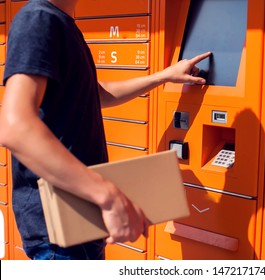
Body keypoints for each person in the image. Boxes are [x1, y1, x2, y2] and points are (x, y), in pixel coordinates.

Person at [0, 0, 210, 260]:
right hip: (59, 231)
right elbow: (15, 126)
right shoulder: (39, 19)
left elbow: (97, 93)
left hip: (79, 225)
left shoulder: (61, 23)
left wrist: (164, 76)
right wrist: (107, 195)